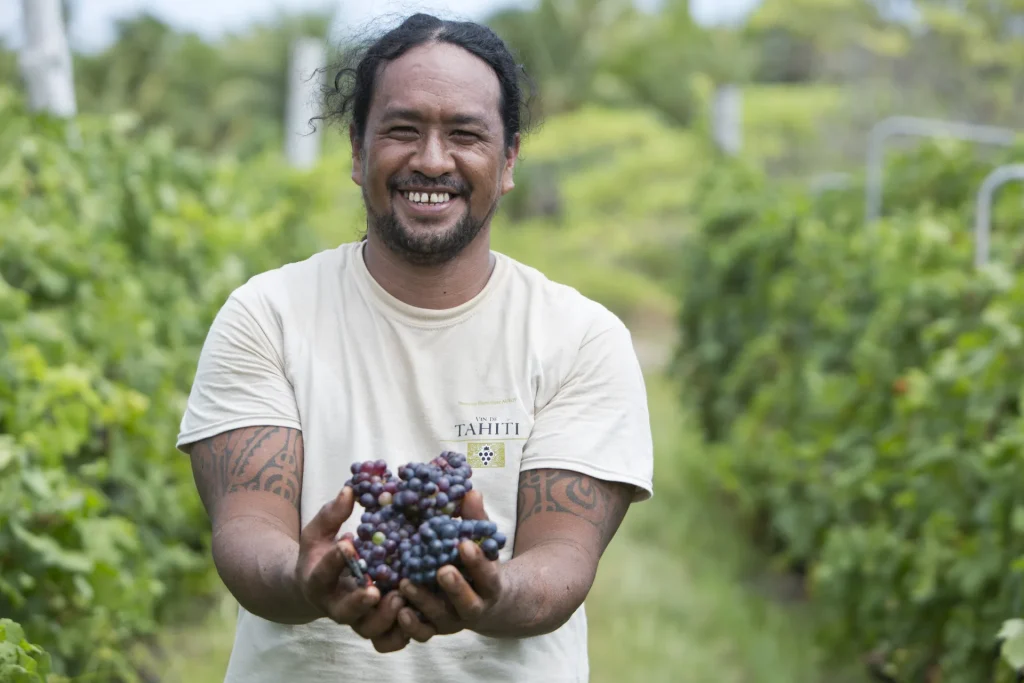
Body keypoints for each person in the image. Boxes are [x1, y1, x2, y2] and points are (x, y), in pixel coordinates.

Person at [176, 12, 654, 683]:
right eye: (403, 130)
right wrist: (303, 576)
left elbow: (562, 565)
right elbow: (247, 530)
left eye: (465, 133)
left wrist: (490, 592)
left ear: (509, 159)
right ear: (356, 149)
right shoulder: (268, 315)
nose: (433, 159)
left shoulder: (579, 337)